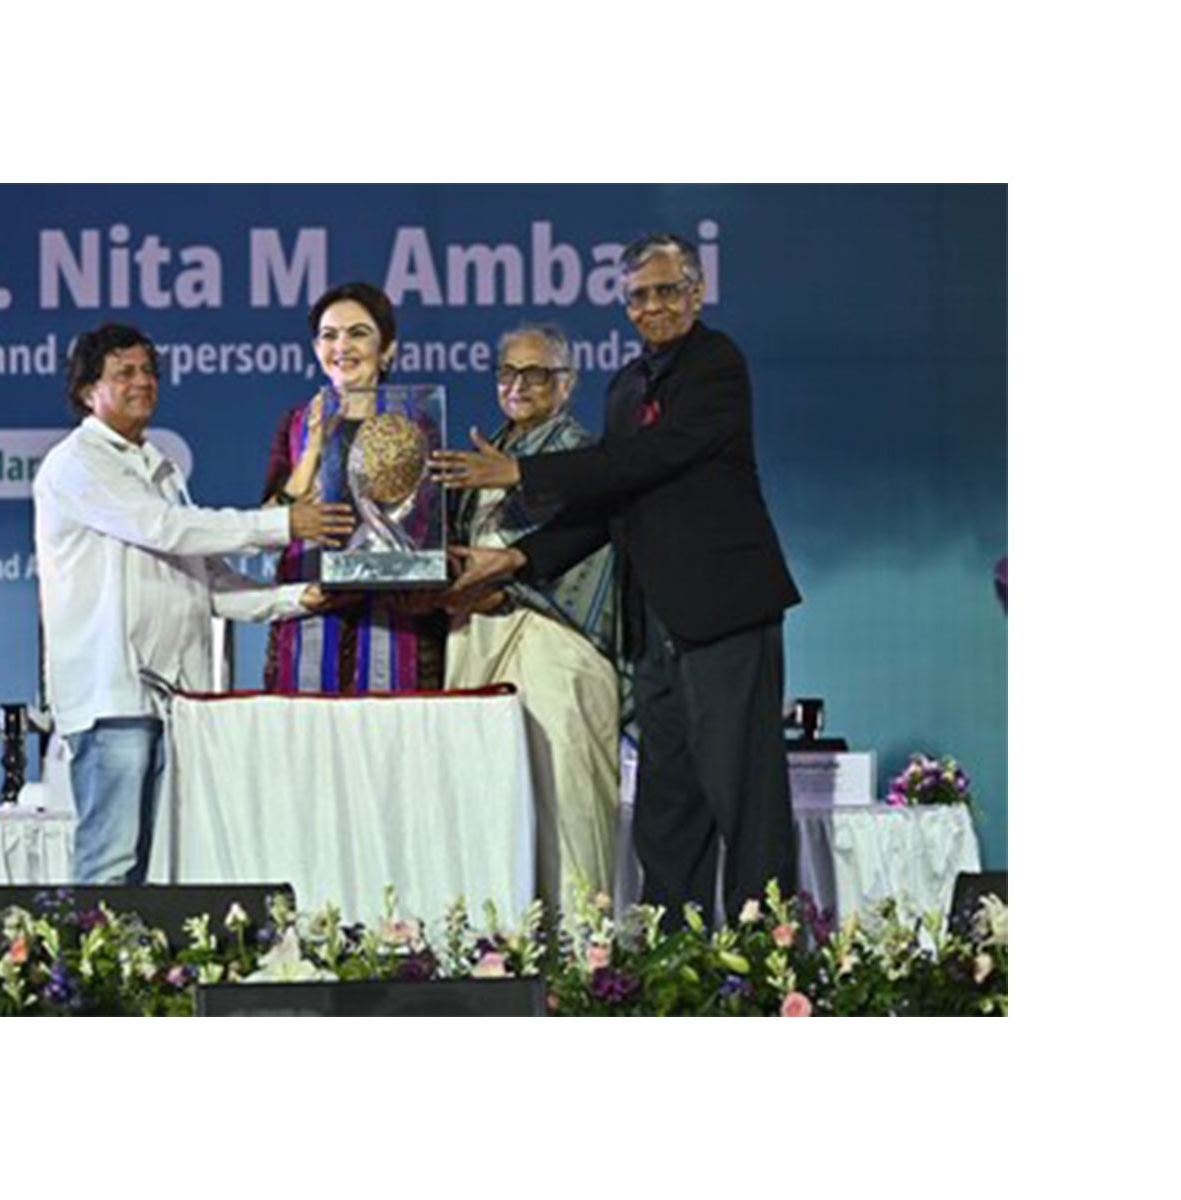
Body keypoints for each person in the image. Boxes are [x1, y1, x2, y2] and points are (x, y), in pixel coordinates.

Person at [433, 234, 801, 927]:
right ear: (625, 306)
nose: (654, 306)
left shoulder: (717, 363)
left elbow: (653, 461)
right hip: (651, 620)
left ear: (696, 294)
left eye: (668, 290)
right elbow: (609, 505)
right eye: (639, 295)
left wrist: (522, 474)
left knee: (743, 794)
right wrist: (513, 560)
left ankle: (766, 957)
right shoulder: (627, 386)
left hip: (721, 609)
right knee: (669, 803)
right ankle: (675, 953)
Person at [34, 322, 353, 884]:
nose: (143, 382)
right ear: (88, 392)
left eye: (148, 371)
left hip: (174, 697)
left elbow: (208, 585)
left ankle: (140, 973)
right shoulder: (78, 462)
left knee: (156, 869)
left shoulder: (159, 465)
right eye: (124, 373)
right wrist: (285, 523)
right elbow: (166, 529)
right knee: (108, 866)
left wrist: (298, 598)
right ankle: (82, 974)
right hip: (115, 696)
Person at [442, 324, 623, 920]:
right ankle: (498, 951)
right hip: (479, 644)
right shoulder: (482, 457)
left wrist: (507, 591)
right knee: (487, 804)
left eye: (536, 373)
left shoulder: (586, 458)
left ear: (566, 384)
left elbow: (593, 552)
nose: (518, 385)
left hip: (556, 646)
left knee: (566, 802)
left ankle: (583, 964)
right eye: (507, 372)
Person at [261, 282, 447, 692]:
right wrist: (311, 452)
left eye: (358, 333)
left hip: (397, 625)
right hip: (310, 612)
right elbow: (267, 526)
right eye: (329, 335)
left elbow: (425, 534)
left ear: (387, 349)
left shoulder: (418, 425)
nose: (341, 345)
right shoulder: (295, 424)